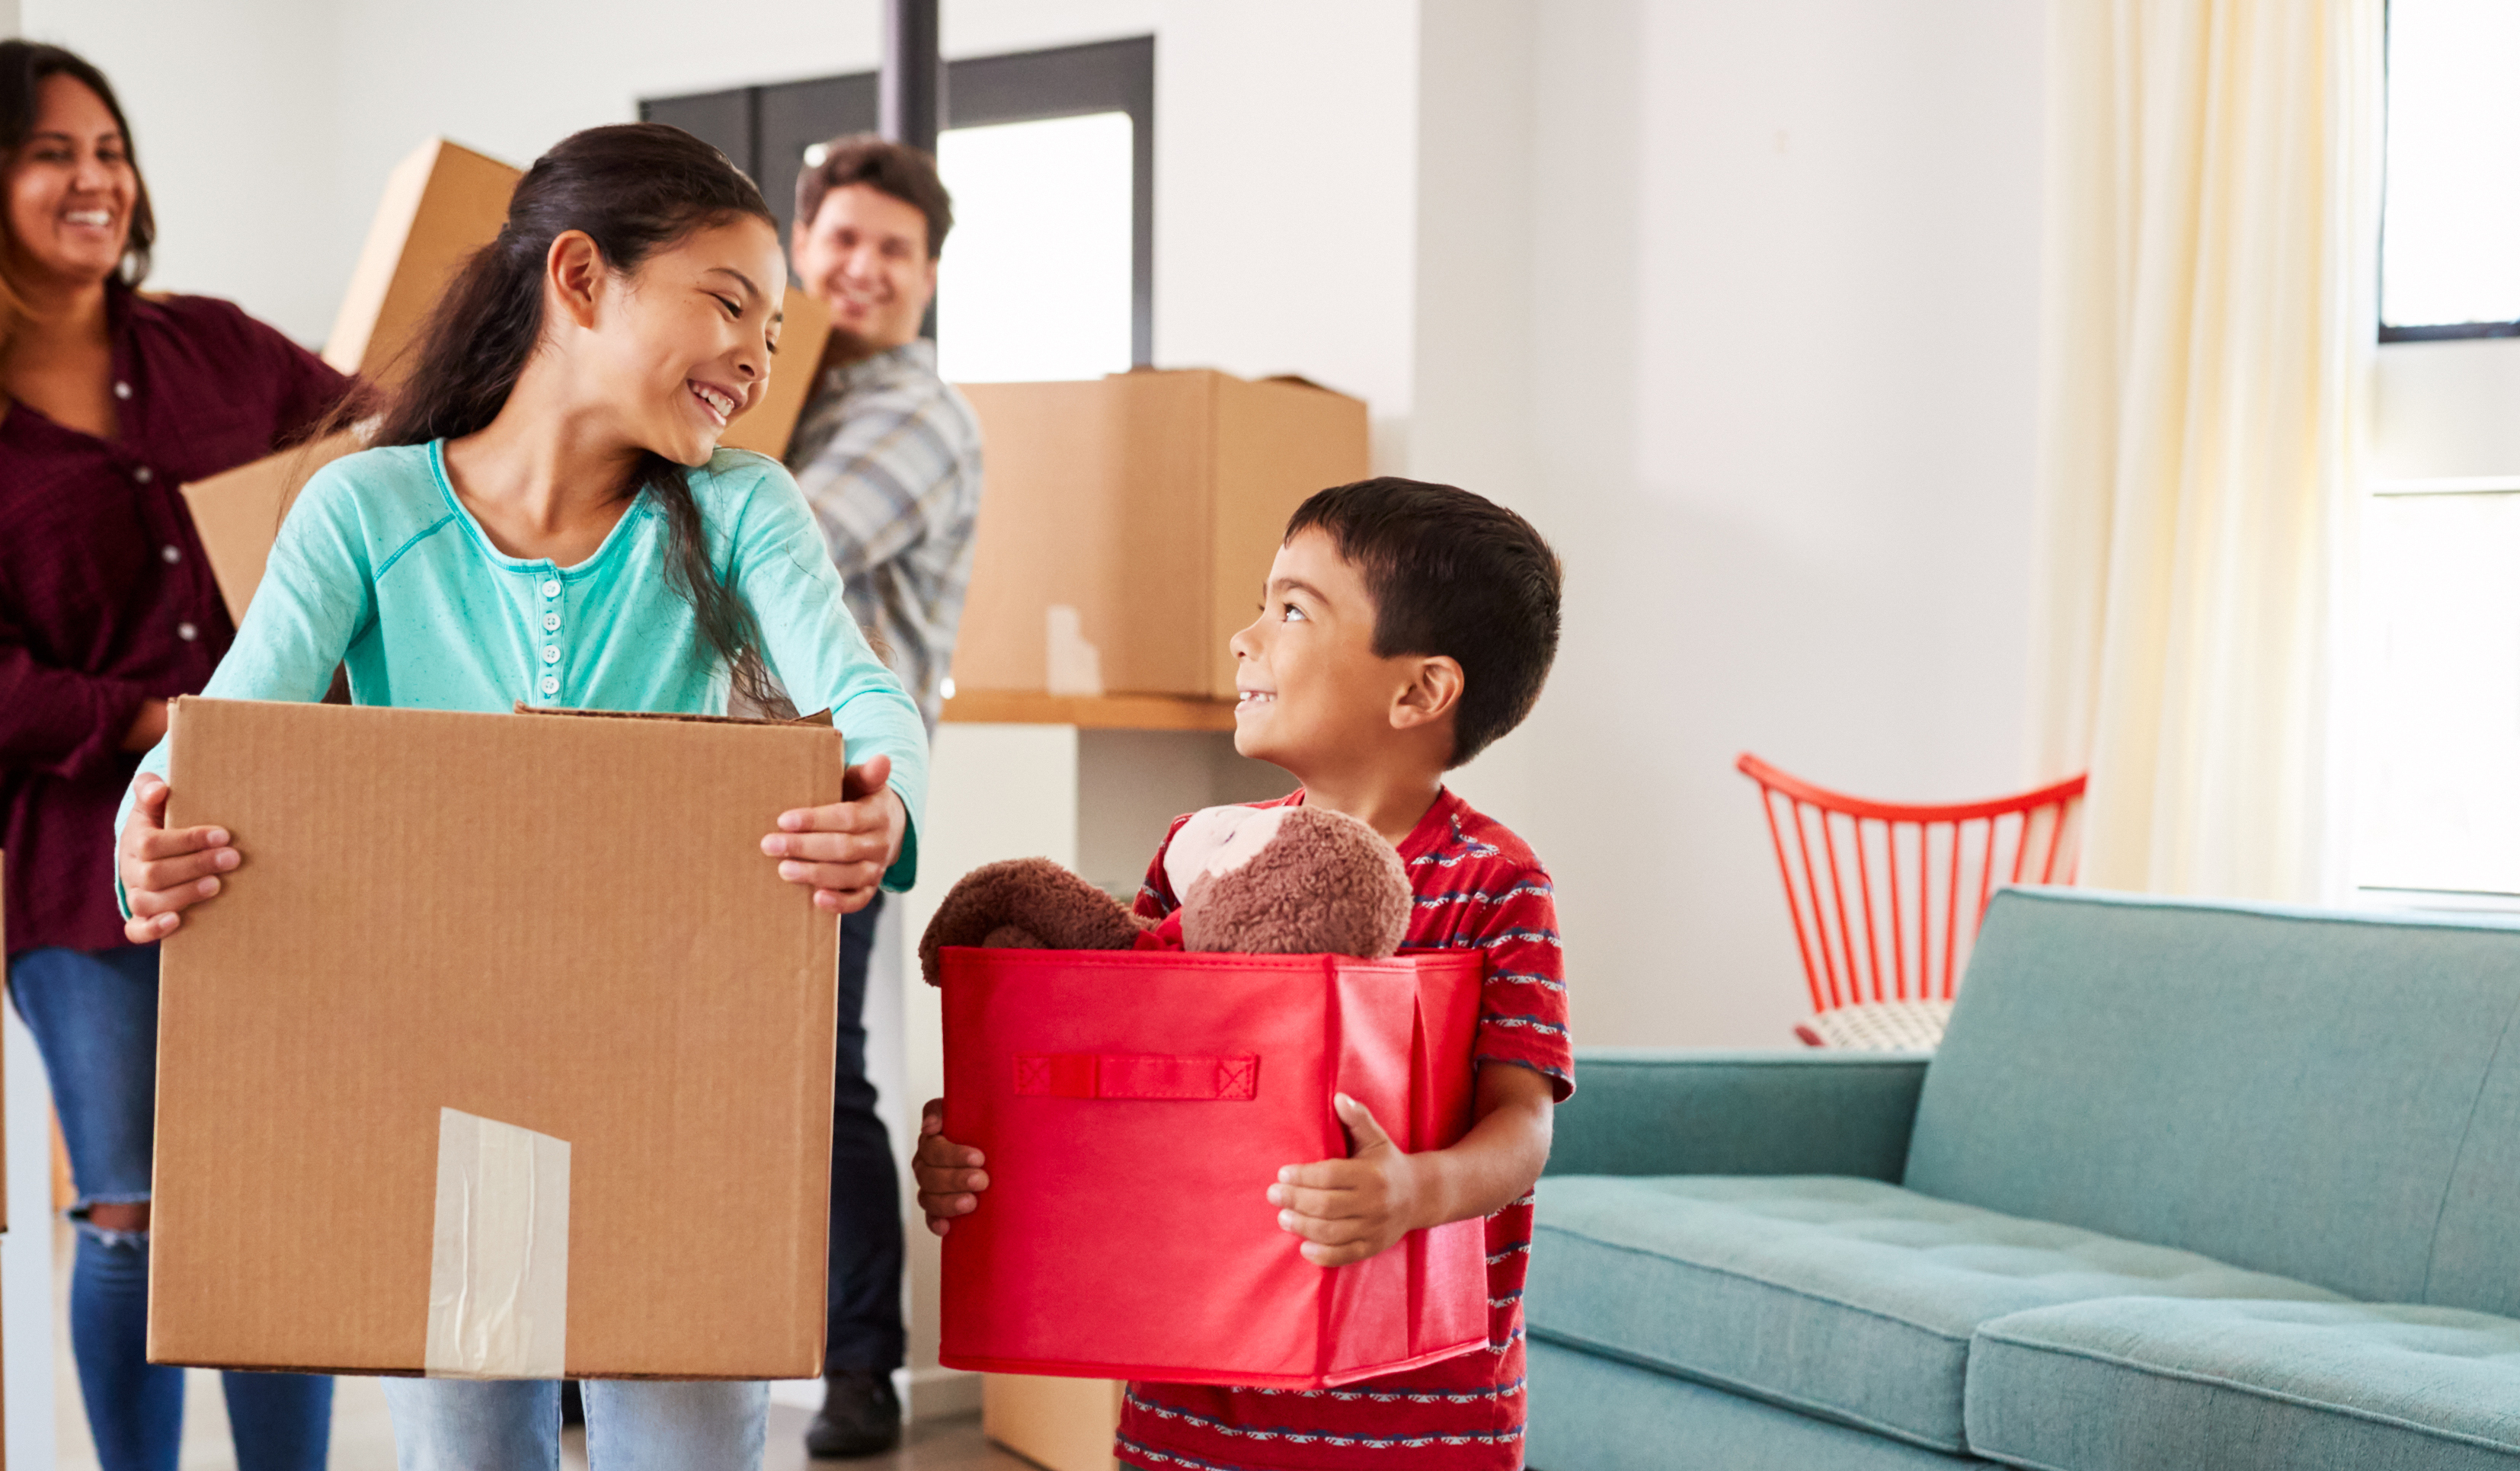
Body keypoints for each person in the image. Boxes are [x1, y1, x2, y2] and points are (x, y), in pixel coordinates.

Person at [107, 122, 930, 1471]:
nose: (756, 357)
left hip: (675, 1068)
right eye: (728, 304)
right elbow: (225, 737)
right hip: (440, 1072)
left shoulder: (742, 512)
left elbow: (863, 692)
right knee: (472, 1452)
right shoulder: (364, 511)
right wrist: (150, 822)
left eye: (774, 332)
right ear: (582, 279)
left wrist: (879, 803)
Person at [0, 40, 345, 1471]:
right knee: (131, 1204)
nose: (96, 181)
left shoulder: (217, 348)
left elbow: (385, 454)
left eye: (110, 150)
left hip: (282, 849)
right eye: (53, 154)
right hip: (76, 880)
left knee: (273, 1205)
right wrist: (173, 719)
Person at [916, 478, 1570, 1471]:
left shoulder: (1496, 882)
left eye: (1294, 609)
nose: (1245, 636)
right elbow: (1119, 1085)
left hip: (1415, 1424)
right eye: (1264, 602)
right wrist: (979, 1151)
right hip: (1189, 1409)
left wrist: (1412, 1191)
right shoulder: (1198, 855)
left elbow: (1522, 1127)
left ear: (1420, 691)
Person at [776, 133, 983, 1460]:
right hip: (695, 769)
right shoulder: (771, 392)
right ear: (801, 250)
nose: (861, 268)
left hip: (834, 779)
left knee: (823, 1075)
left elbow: (786, 540)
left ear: (926, 280)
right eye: (840, 240)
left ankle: (863, 1367)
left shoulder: (916, 414)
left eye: (892, 251)